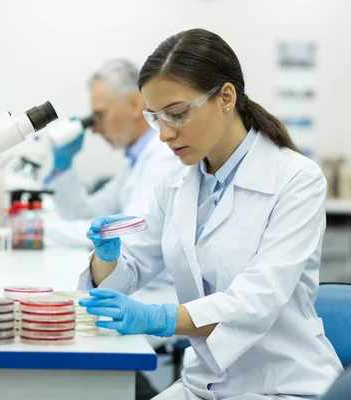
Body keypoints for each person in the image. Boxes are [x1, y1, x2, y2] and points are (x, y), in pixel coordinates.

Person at [78, 28, 343, 399]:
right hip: (203, 384)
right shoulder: (175, 181)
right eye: (156, 118)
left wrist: (161, 317)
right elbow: (132, 268)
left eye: (177, 114)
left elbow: (255, 301)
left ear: (226, 97)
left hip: (282, 386)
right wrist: (106, 256)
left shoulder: (296, 180)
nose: (164, 135)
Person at [44, 59, 176, 249]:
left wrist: (36, 233)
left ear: (134, 104)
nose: (94, 129)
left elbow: (128, 230)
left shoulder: (163, 157)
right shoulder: (135, 162)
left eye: (100, 115)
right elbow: (86, 215)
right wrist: (61, 166)